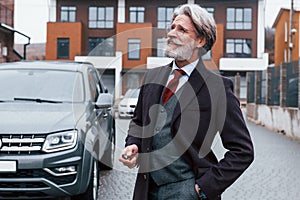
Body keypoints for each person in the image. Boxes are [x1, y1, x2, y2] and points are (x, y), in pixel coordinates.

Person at [119, 4, 254, 200]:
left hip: (188, 191)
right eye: (172, 27)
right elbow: (139, 122)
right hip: (147, 191)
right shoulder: (152, 77)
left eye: (181, 29)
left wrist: (202, 189)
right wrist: (133, 145)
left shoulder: (217, 88)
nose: (172, 33)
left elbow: (243, 151)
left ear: (200, 40)